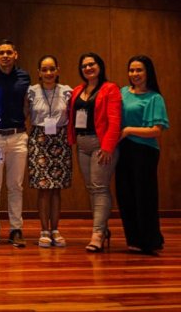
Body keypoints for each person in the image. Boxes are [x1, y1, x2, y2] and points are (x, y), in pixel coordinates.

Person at [68, 53, 122, 252]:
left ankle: (97, 234)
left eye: (92, 64)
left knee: (100, 187)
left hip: (102, 144)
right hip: (82, 145)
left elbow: (115, 121)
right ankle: (102, 229)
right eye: (84, 66)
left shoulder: (110, 89)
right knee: (92, 188)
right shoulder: (77, 90)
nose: (88, 68)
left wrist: (108, 147)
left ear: (100, 66)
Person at [116, 55, 169, 255]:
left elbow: (156, 130)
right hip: (124, 150)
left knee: (144, 196)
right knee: (125, 194)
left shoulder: (154, 97)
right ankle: (134, 240)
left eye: (139, 70)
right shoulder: (122, 92)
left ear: (148, 72)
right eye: (131, 70)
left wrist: (129, 130)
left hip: (145, 151)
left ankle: (150, 241)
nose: (135, 74)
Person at [0, 39, 31, 247]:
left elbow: (27, 104)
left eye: (9, 52)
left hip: (18, 137)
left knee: (15, 186)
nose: (5, 56)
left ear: (15, 55)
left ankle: (16, 229)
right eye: (1, 52)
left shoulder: (24, 76)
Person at [26, 55, 72, 248]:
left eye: (52, 69)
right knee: (44, 189)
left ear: (58, 70)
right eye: (44, 69)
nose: (48, 73)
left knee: (56, 189)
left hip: (60, 141)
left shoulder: (67, 92)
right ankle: (44, 230)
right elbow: (26, 115)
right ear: (38, 72)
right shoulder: (31, 92)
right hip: (39, 140)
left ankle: (55, 229)